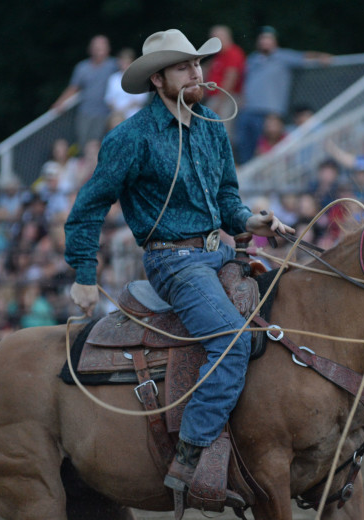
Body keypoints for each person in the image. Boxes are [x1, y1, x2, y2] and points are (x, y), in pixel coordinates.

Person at [63, 29, 293, 507]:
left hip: (221, 252)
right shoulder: (130, 138)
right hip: (173, 261)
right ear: (158, 79)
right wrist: (84, 275)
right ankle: (190, 457)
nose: (197, 73)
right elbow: (87, 208)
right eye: (185, 67)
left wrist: (253, 221)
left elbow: (228, 199)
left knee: (284, 319)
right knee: (230, 342)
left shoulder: (210, 123)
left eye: (198, 64)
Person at [236, 26, 330, 163]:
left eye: (268, 39)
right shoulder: (252, 59)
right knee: (244, 147)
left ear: (275, 41)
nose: (265, 42)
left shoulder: (283, 56)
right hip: (248, 110)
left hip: (269, 113)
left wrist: (321, 57)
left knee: (263, 150)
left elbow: (304, 56)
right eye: (262, 39)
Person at [52, 35, 118, 149]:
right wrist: (59, 103)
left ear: (108, 49)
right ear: (90, 49)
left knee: (99, 144)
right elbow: (73, 88)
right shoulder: (82, 67)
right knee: (83, 143)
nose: (99, 50)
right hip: (85, 112)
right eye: (96, 47)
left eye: (102, 47)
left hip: (106, 113)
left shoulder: (114, 65)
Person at [204, 25, 246, 137]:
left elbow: (230, 79)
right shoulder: (220, 55)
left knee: (221, 130)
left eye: (215, 38)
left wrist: (219, 102)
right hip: (219, 97)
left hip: (226, 98)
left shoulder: (233, 53)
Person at [104, 48, 150, 126]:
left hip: (133, 115)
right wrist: (117, 112)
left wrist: (123, 111)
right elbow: (109, 98)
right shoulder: (113, 78)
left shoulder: (138, 78)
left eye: (127, 62)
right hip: (115, 116)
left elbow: (140, 99)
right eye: (122, 62)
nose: (124, 64)